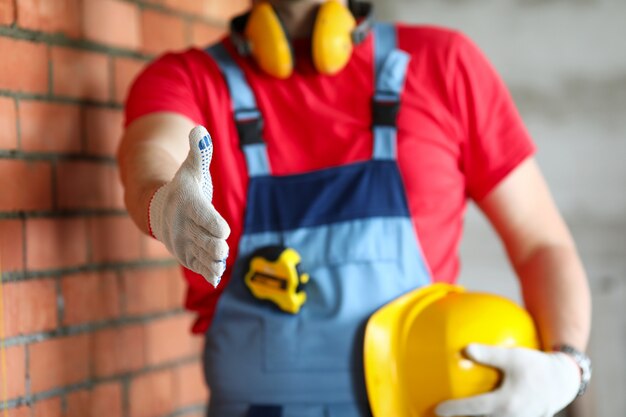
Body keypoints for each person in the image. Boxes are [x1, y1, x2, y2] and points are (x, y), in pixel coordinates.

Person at [117, 1, 592, 416]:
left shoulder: (444, 65)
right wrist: (162, 201)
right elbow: (152, 154)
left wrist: (568, 368)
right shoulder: (187, 81)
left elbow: (541, 243)